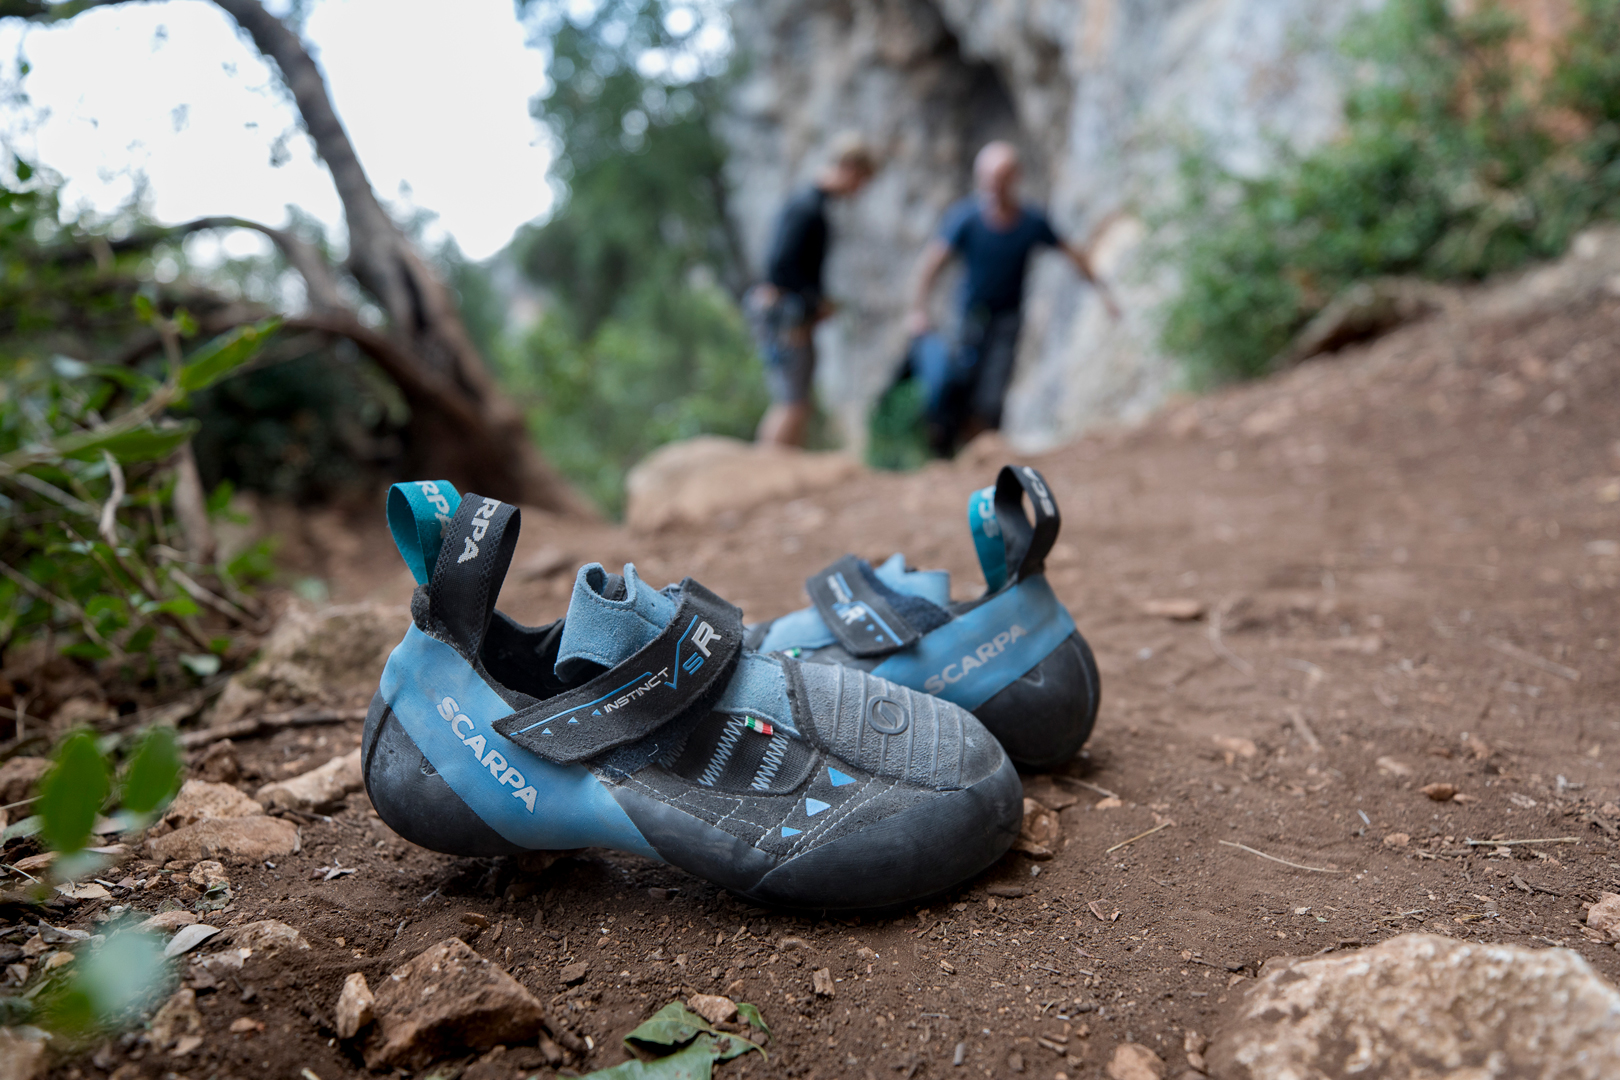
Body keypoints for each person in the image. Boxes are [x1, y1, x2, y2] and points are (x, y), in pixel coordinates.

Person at [905, 141, 1119, 455]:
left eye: (1000, 177)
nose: (992, 184)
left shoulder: (1031, 222)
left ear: (1015, 177)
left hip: (1007, 321)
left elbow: (1071, 254)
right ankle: (948, 455)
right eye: (987, 177)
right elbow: (932, 263)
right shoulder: (965, 219)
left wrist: (1103, 292)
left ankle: (983, 456)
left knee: (991, 396)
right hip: (968, 318)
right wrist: (918, 310)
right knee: (953, 386)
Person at [751, 134, 878, 447]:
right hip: (785, 314)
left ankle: (778, 469)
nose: (859, 190)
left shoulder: (811, 205)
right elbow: (779, 266)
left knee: (797, 401)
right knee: (792, 403)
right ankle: (766, 471)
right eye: (861, 180)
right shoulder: (807, 207)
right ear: (850, 169)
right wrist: (813, 301)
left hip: (789, 311)